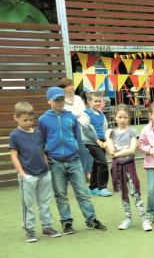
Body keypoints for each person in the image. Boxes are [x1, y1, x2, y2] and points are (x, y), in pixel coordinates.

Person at [38, 87, 106, 234]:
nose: (60, 102)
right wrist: (48, 161)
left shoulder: (71, 117)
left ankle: (91, 220)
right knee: (61, 194)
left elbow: (76, 137)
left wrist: (77, 154)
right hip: (55, 162)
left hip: (74, 161)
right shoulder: (43, 120)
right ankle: (66, 223)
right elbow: (42, 142)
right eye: (56, 100)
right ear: (49, 100)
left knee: (82, 192)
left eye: (62, 99)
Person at [9, 102, 61, 241]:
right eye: (25, 120)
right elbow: (14, 156)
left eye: (31, 120)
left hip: (44, 173)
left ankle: (46, 227)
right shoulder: (14, 135)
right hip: (27, 174)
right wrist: (22, 174)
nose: (28, 122)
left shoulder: (38, 133)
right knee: (28, 203)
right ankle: (30, 229)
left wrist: (48, 169)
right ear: (16, 118)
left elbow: (43, 152)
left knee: (45, 201)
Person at [105, 104, 152, 231]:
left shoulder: (132, 131)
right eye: (120, 117)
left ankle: (145, 220)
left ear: (129, 117)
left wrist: (116, 153)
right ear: (115, 117)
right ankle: (129, 219)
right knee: (123, 194)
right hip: (117, 168)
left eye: (125, 117)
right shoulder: (112, 134)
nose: (122, 120)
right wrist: (107, 137)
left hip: (129, 167)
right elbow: (110, 151)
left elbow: (131, 150)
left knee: (135, 193)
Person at [78, 91, 111, 196]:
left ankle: (93, 187)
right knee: (103, 163)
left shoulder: (101, 114)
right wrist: (98, 141)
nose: (97, 103)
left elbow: (105, 128)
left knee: (97, 163)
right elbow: (86, 131)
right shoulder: (86, 114)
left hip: (102, 142)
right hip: (92, 143)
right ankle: (102, 187)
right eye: (95, 101)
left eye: (99, 101)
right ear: (88, 102)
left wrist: (105, 141)